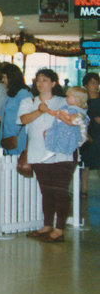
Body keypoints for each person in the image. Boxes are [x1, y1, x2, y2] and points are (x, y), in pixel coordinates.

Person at [20, 68, 85, 243]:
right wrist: (40, 111)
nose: (40, 83)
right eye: (38, 80)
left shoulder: (64, 101)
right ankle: (47, 225)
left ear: (54, 83)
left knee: (61, 191)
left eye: (45, 80)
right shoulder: (29, 101)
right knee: (46, 191)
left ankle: (59, 229)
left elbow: (78, 119)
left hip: (61, 153)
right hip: (38, 151)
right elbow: (23, 119)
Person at [40, 86, 89, 162]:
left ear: (77, 99)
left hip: (67, 134)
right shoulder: (67, 108)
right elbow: (56, 113)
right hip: (61, 131)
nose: (66, 98)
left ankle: (51, 151)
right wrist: (47, 110)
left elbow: (73, 123)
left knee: (63, 155)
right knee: (47, 133)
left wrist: (62, 118)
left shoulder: (77, 112)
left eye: (68, 96)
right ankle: (50, 149)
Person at [0, 63, 32, 156]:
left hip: (19, 137)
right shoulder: (10, 95)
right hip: (7, 136)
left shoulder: (24, 94)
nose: (3, 80)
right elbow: (1, 113)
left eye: (5, 77)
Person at [80, 72, 100, 193]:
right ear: (86, 85)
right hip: (88, 135)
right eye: (92, 83)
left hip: (97, 134)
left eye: (97, 82)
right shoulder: (83, 101)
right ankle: (84, 190)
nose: (95, 85)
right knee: (86, 165)